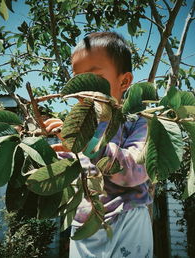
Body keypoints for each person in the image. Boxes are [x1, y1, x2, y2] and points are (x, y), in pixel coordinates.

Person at [44, 32, 153, 258]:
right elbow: (77, 171)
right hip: (84, 223)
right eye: (77, 79)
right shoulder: (79, 124)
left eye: (93, 77)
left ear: (123, 81)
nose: (82, 88)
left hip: (127, 218)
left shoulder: (138, 120)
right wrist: (50, 158)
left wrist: (86, 142)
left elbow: (133, 172)